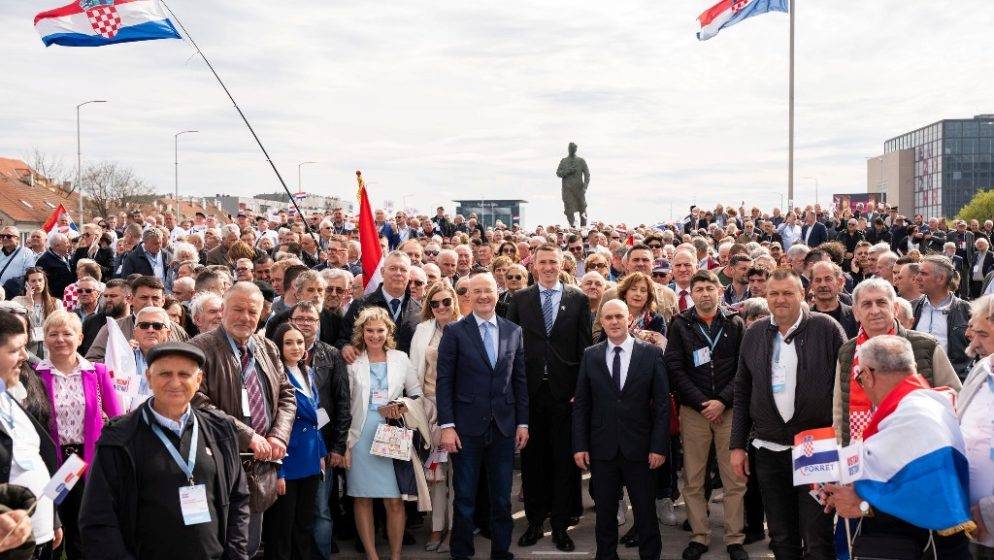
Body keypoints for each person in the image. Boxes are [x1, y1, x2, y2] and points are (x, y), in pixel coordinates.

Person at [79, 342, 251, 560]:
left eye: (184, 374)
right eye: (165, 374)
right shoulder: (119, 438)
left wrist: (235, 555)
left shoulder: (220, 430)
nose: (175, 382)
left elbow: (239, 499)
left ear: (198, 380)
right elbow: (98, 517)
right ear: (149, 378)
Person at [823, 336, 973, 560]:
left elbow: (916, 493)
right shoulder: (926, 403)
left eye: (860, 379)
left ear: (867, 375)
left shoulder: (911, 415)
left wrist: (861, 504)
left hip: (923, 546)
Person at [730, 269, 843, 560]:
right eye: (774, 294)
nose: (780, 300)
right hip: (768, 450)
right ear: (765, 296)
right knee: (781, 537)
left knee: (817, 537)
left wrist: (844, 444)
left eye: (787, 293)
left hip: (816, 449)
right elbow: (742, 392)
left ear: (802, 295)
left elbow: (845, 389)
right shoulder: (754, 333)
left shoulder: (827, 328)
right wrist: (737, 446)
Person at [190, 282, 297, 558]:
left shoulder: (267, 347)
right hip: (219, 462)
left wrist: (278, 435)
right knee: (215, 546)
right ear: (223, 310)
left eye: (252, 311)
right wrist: (245, 434)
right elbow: (197, 401)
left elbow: (287, 395)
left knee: (247, 546)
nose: (245, 317)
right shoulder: (198, 348)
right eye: (238, 309)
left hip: (259, 467)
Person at [436, 273, 528, 560]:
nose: (483, 296)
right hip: (465, 429)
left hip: (503, 427)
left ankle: (501, 552)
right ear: (468, 296)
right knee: (464, 497)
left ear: (497, 294)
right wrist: (447, 426)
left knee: (502, 498)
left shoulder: (513, 331)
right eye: (477, 291)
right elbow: (444, 382)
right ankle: (461, 552)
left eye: (488, 290)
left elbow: (520, 380)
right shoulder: (455, 332)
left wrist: (523, 422)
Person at [507, 244, 591, 551]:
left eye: (552, 262)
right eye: (542, 262)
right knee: (532, 461)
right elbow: (512, 348)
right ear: (533, 266)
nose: (547, 267)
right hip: (530, 392)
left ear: (561, 264)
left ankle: (560, 525)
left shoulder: (578, 299)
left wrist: (580, 391)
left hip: (564, 392)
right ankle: (534, 522)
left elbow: (585, 348)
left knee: (563, 461)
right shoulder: (519, 299)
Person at [572, 299, 669, 560]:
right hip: (602, 447)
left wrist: (658, 446)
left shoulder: (650, 354)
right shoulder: (591, 355)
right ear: (601, 322)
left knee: (645, 510)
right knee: (604, 512)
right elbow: (581, 404)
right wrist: (580, 445)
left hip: (640, 447)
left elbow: (662, 406)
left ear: (629, 320)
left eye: (619, 316)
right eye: (608, 318)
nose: (614, 322)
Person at [663, 270, 747, 560]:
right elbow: (674, 367)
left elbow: (742, 369)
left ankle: (734, 537)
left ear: (719, 291)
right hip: (694, 412)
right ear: (692, 293)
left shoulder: (735, 324)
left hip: (729, 410)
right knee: (694, 477)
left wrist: (722, 401)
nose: (705, 293)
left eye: (710, 288)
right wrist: (702, 403)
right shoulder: (679, 324)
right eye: (698, 289)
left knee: (734, 478)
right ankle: (699, 536)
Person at [34, 310, 122, 560]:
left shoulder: (97, 372)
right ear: (44, 338)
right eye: (53, 334)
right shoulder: (35, 375)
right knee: (50, 528)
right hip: (52, 462)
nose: (60, 339)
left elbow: (117, 420)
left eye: (67, 333)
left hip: (86, 462)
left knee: (82, 530)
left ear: (80, 337)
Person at [832, 278, 961, 445]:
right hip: (860, 452)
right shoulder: (847, 352)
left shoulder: (926, 346)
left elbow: (955, 396)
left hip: (918, 448)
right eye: (866, 304)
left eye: (881, 303)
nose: (875, 310)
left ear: (895, 308)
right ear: (856, 312)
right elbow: (839, 409)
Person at [345, 307, 422, 560]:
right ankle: (372, 555)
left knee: (395, 500)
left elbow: (417, 393)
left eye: (380, 330)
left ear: (388, 331)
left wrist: (401, 406)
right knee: (362, 498)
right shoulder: (353, 360)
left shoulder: (401, 358)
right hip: (360, 435)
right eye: (369, 330)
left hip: (392, 433)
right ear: (362, 332)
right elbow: (343, 401)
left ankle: (396, 556)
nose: (375, 335)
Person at [284, 301, 351, 558]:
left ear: (318, 323)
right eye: (300, 318)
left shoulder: (331, 355)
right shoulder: (278, 357)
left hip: (321, 446)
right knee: (294, 512)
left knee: (321, 510)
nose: (305, 323)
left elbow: (342, 402)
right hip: (290, 449)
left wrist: (337, 446)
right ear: (290, 320)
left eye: (311, 319)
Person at [0, 311, 62, 559]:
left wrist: (52, 518)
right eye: (16, 349)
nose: (25, 357)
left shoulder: (11, 397)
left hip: (37, 538)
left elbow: (33, 459)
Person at [263, 323, 328, 560]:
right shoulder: (274, 376)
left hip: (310, 458)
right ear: (278, 346)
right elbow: (272, 424)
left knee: (304, 525)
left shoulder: (308, 373)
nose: (296, 347)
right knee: (282, 528)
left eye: (300, 342)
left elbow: (317, 417)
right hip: (287, 460)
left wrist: (321, 453)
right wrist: (278, 471)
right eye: (288, 342)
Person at [409, 282, 462, 552]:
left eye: (446, 302)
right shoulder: (422, 331)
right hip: (430, 408)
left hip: (460, 409)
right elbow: (413, 370)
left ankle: (455, 529)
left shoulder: (467, 326)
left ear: (454, 302)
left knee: (458, 473)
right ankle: (436, 527)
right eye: (435, 303)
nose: (441, 307)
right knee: (436, 473)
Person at [338, 251, 422, 361]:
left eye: (403, 270)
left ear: (409, 275)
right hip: (369, 372)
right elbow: (342, 339)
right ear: (382, 272)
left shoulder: (419, 310)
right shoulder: (361, 305)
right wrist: (345, 347)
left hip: (406, 374)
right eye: (393, 268)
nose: (398, 273)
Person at [912, 255, 971, 378]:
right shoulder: (911, 308)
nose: (917, 278)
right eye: (918, 273)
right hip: (918, 385)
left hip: (955, 385)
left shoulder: (968, 311)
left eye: (923, 273)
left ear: (941, 278)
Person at [13, 267, 63, 357]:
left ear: (45, 282)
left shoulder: (56, 303)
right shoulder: (17, 301)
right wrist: (29, 305)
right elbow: (16, 326)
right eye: (33, 281)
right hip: (27, 351)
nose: (38, 284)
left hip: (50, 351)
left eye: (40, 280)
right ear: (26, 284)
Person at [80, 278, 130, 356]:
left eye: (113, 296)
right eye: (106, 296)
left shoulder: (139, 323)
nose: (108, 300)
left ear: (128, 298)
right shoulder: (91, 323)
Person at [807, 261, 858, 338]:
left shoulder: (856, 316)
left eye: (828, 279)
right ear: (811, 284)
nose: (823, 284)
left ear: (840, 282)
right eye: (818, 280)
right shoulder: (804, 320)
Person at [35, 232, 75, 298]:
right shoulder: (44, 261)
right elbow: (42, 282)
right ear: (57, 246)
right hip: (55, 299)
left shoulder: (66, 256)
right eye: (66, 243)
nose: (69, 245)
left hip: (69, 296)